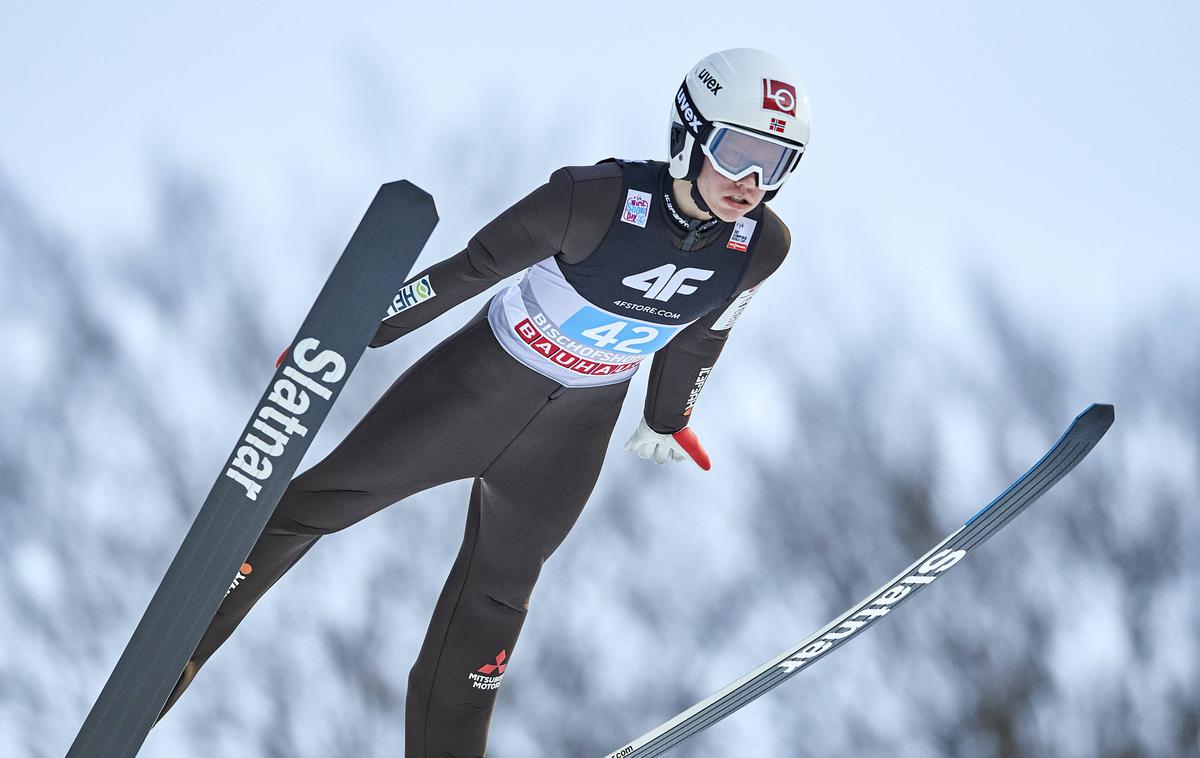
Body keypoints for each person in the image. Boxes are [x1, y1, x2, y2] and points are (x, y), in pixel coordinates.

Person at [157, 47, 811, 757]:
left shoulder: (760, 247)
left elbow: (703, 335)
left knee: (498, 602)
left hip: (574, 430)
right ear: (689, 133)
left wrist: (669, 417)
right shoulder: (591, 200)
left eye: (775, 164)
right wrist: (348, 335)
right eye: (739, 152)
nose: (751, 181)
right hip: (477, 389)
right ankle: (171, 665)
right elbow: (464, 272)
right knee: (315, 507)